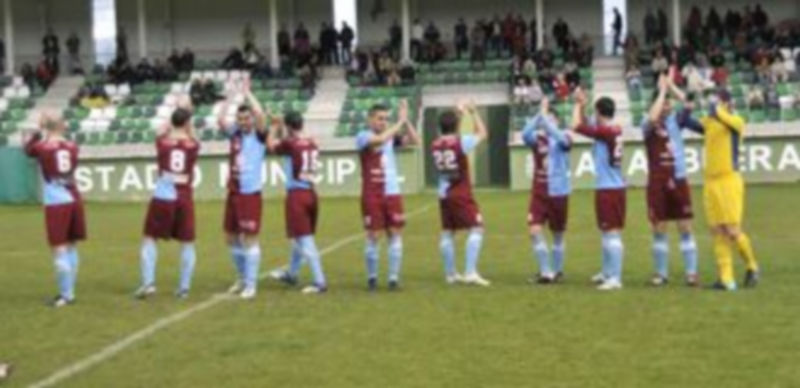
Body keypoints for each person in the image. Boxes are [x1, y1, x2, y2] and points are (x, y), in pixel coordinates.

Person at [642, 73, 703, 287]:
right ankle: (661, 273)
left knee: (685, 226)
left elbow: (689, 102)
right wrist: (661, 92)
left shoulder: (676, 121)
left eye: (668, 104)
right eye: (663, 104)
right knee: (659, 228)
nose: (667, 107)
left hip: (678, 178)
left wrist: (670, 86)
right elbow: (651, 118)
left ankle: (691, 273)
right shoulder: (647, 125)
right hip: (657, 182)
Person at [135, 107, 200, 300]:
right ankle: (184, 287)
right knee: (187, 242)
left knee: (149, 238)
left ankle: (148, 284)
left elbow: (160, 131)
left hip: (163, 194)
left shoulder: (162, 143)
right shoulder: (193, 145)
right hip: (184, 195)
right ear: (187, 123)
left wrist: (173, 121)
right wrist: (190, 126)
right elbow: (194, 137)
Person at [355, 101, 420, 291]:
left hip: (392, 192)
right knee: (373, 235)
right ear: (370, 120)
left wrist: (406, 121)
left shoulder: (391, 137)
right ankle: (372, 278)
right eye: (379, 118)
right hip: (372, 193)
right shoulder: (363, 136)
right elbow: (380, 140)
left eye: (385, 119)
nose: (383, 122)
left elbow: (416, 141)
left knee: (395, 233)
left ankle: (393, 279)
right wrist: (398, 123)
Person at [699, 91, 760, 291]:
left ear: (726, 102)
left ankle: (752, 266)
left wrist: (715, 107)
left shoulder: (736, 122)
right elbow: (689, 122)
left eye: (718, 100)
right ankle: (726, 279)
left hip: (728, 180)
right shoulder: (711, 121)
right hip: (711, 181)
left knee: (732, 230)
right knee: (717, 230)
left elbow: (718, 114)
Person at [24, 112, 86, 307]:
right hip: (74, 196)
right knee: (72, 244)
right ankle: (70, 291)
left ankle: (65, 295)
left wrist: (38, 131)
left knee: (58, 247)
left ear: (47, 127)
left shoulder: (42, 147)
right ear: (63, 127)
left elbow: (27, 150)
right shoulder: (73, 147)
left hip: (57, 201)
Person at [266, 111, 327, 294]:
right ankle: (292, 274)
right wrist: (283, 126)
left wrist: (274, 127)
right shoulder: (312, 142)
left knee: (304, 239)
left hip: (297, 195)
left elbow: (271, 146)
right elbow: (294, 145)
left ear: (289, 126)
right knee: (299, 237)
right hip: (311, 192)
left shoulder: (290, 144)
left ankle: (319, 281)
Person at [571, 89, 626, 291]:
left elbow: (576, 125)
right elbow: (587, 125)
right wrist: (583, 105)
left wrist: (577, 103)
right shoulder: (612, 130)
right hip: (613, 186)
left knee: (612, 234)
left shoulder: (606, 132)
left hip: (609, 189)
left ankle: (616, 278)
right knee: (606, 232)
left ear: (599, 112)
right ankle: (607, 272)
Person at [218, 83, 268, 299]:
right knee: (230, 237)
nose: (243, 122)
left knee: (249, 238)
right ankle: (241, 277)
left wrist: (247, 93)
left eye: (246, 119)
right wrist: (230, 99)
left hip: (250, 194)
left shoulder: (258, 136)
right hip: (234, 192)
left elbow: (260, 113)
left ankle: (251, 284)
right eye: (240, 119)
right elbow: (220, 120)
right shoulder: (235, 135)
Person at [431, 100, 490, 286]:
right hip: (460, 191)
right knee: (477, 228)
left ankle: (450, 274)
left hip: (443, 193)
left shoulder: (435, 144)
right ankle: (470, 271)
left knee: (447, 232)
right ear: (456, 125)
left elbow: (449, 131)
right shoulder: (460, 142)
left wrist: (458, 113)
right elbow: (482, 133)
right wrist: (473, 112)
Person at [521, 97, 572, 283]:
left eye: (551, 118)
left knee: (557, 234)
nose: (547, 122)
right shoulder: (537, 140)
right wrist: (538, 116)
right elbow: (525, 133)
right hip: (539, 192)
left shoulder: (563, 137)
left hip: (559, 193)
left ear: (557, 121)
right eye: (546, 119)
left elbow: (562, 140)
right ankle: (545, 272)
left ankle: (557, 271)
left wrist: (547, 119)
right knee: (534, 229)